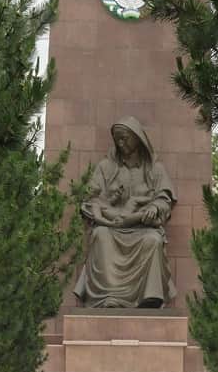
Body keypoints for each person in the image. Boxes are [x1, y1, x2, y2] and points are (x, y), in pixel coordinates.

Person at [74, 116, 176, 308]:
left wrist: (154, 208)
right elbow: (90, 199)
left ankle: (150, 296)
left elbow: (165, 198)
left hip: (142, 228)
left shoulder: (155, 169)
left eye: (125, 138)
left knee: (153, 240)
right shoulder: (106, 167)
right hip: (111, 226)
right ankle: (108, 297)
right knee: (100, 235)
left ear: (137, 138)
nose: (121, 143)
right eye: (117, 139)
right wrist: (108, 198)